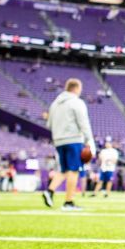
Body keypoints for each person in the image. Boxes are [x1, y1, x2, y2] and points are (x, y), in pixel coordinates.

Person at [41, 78, 96, 211]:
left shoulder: (55, 104)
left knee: (64, 170)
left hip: (59, 141)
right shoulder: (76, 102)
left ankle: (50, 191)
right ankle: (68, 202)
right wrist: (90, 140)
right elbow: (83, 122)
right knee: (74, 170)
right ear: (76, 88)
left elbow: (48, 124)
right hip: (73, 140)